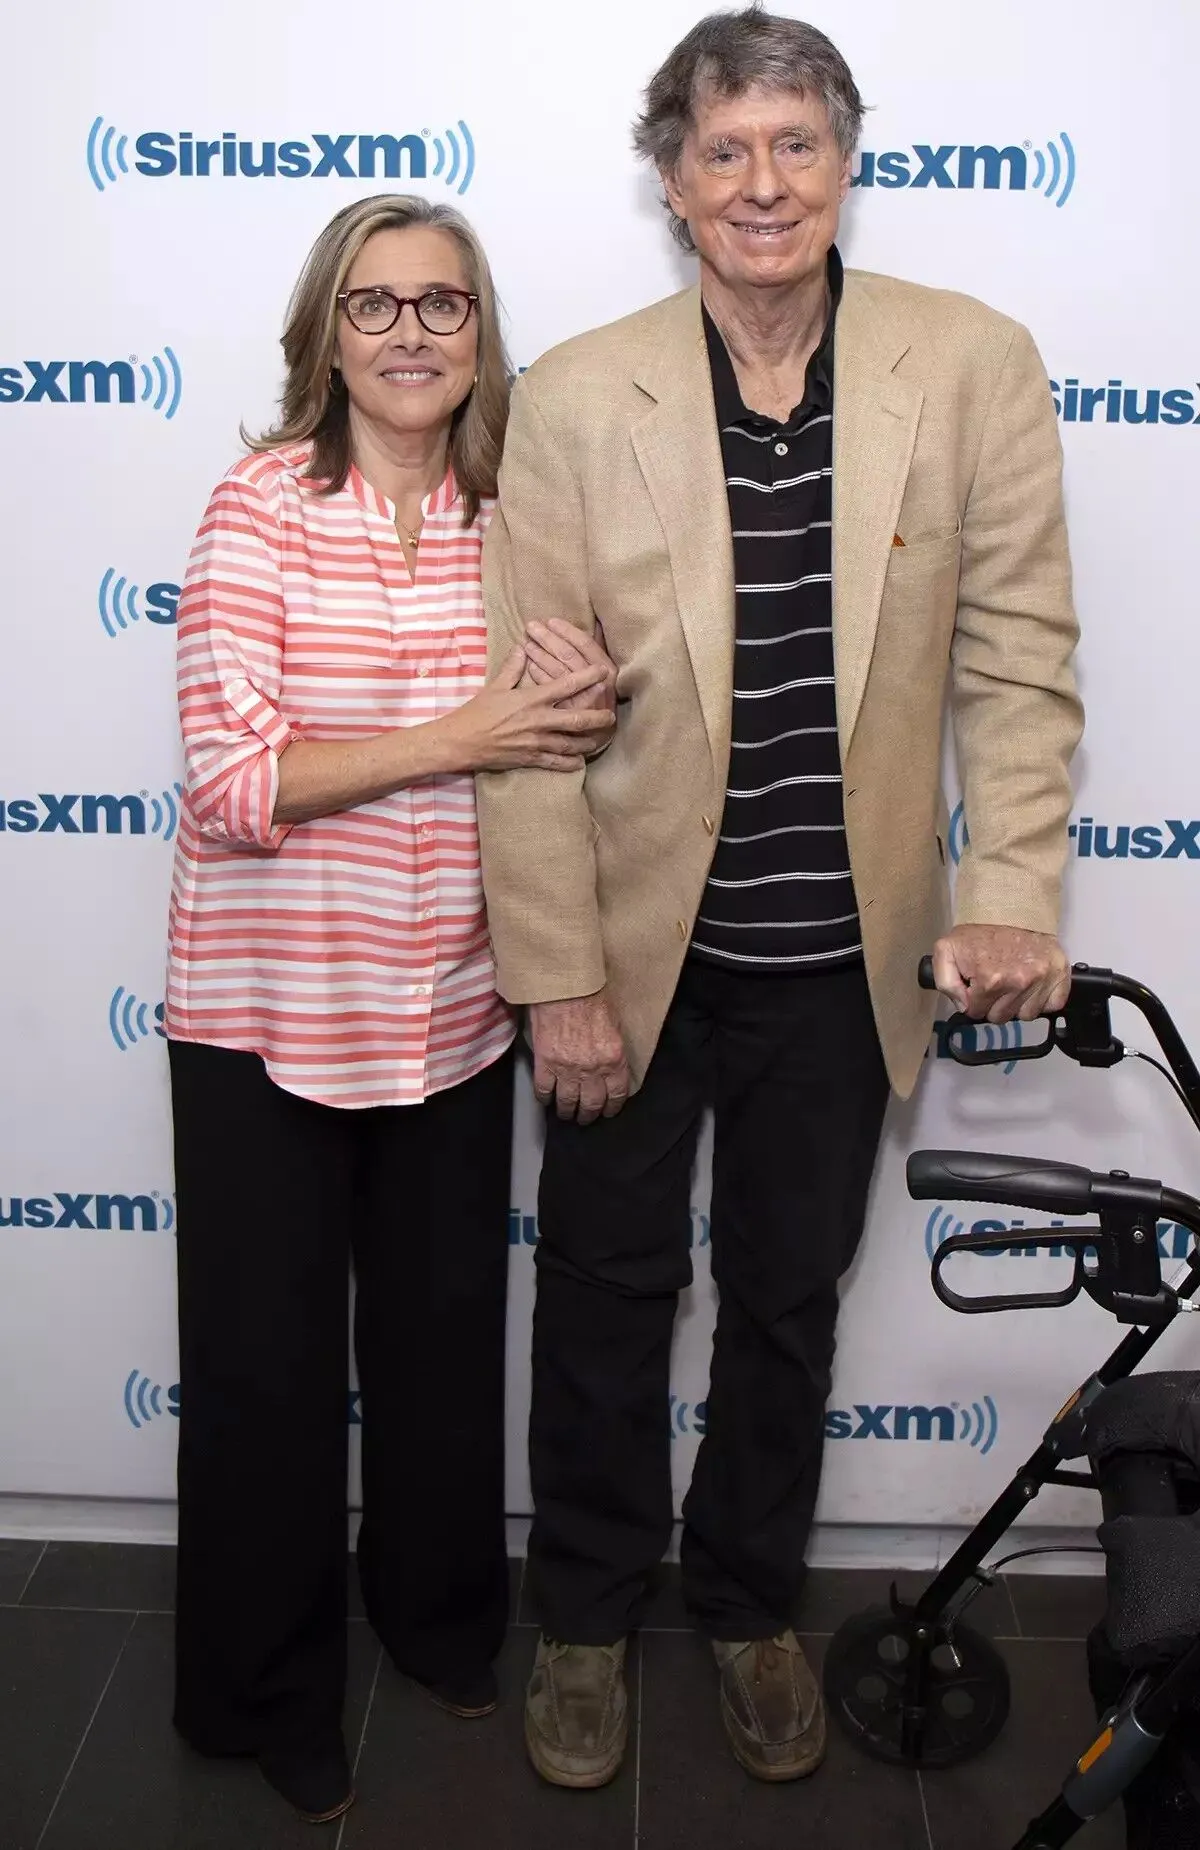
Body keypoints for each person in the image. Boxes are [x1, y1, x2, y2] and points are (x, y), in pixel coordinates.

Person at [475, 5, 1082, 1790]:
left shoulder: (970, 362)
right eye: (724, 149)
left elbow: (1022, 662)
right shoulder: (582, 395)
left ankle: (746, 1603)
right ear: (673, 183)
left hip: (845, 969)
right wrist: (559, 976)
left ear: (846, 163)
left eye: (794, 144)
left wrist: (1014, 886)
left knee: (788, 1299)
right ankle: (585, 1613)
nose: (761, 182)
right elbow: (529, 720)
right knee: (597, 1289)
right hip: (634, 962)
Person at [164, 192, 616, 1824]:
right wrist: (470, 731)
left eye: (443, 302)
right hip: (267, 1017)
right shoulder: (259, 505)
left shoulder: (522, 516)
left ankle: (437, 1622)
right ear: (326, 331)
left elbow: (578, 715)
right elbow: (230, 784)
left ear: (482, 330)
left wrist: (569, 706)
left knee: (438, 1355)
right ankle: (260, 1689)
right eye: (376, 304)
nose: (412, 331)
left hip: (453, 1011)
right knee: (267, 1377)